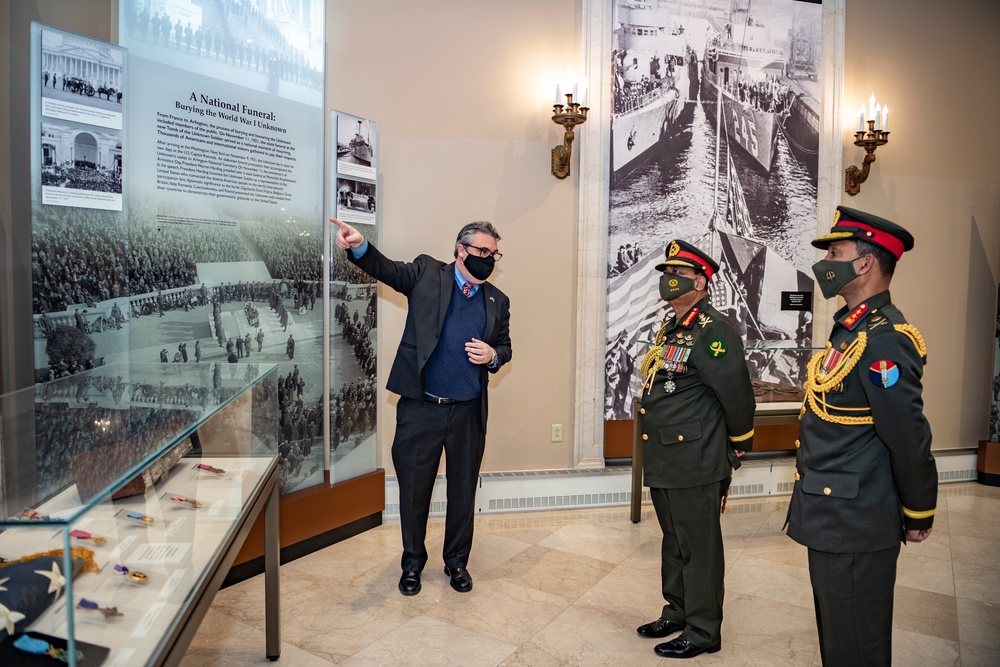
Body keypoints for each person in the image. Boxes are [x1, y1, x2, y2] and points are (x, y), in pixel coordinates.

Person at [786, 206, 937, 666]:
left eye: (836, 251)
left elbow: (906, 434)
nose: (825, 262)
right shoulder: (850, 329)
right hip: (834, 510)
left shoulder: (886, 339)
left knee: (855, 642)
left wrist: (918, 508)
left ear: (866, 263)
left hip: (855, 517)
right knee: (840, 634)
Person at [331, 216, 512, 597]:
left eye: (494, 254)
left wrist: (493, 354)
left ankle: (457, 563)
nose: (489, 259)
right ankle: (412, 565)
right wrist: (360, 245)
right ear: (460, 250)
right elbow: (388, 270)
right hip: (422, 409)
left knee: (463, 493)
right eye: (482, 251)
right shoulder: (428, 273)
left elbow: (506, 349)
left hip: (468, 413)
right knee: (414, 492)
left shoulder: (498, 300)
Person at [634, 239, 755, 659]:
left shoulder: (713, 330)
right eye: (666, 273)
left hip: (696, 457)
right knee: (675, 539)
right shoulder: (674, 327)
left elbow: (736, 394)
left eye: (679, 274)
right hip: (668, 454)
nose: (669, 280)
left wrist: (738, 445)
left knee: (699, 545)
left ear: (701, 282)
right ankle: (678, 610)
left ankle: (704, 630)